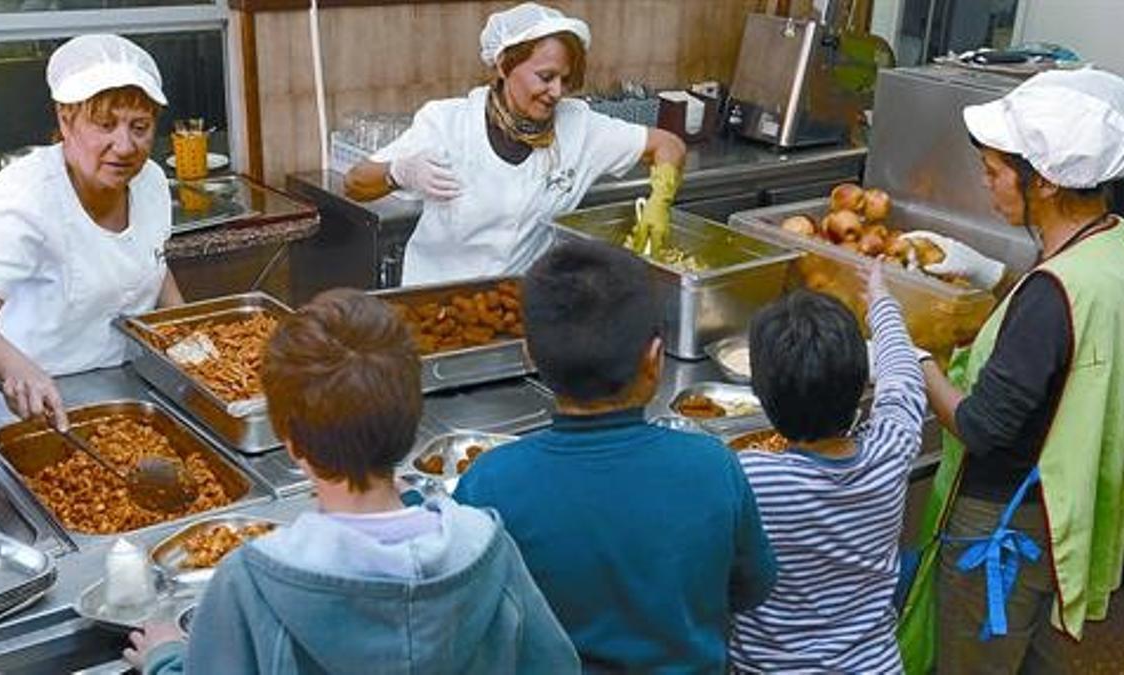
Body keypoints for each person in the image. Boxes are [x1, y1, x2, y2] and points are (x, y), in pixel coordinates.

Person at [123, 289, 580, 674]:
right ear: (415, 422)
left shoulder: (250, 582)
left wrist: (166, 659)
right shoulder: (487, 546)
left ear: (291, 442)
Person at [454, 239, 777, 672]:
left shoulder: (491, 481)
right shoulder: (713, 466)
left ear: (530, 355)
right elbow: (753, 586)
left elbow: (470, 618)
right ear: (655, 360)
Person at [897, 68, 1124, 674]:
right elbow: (1068, 340)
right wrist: (990, 273)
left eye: (995, 172)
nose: (986, 183)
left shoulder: (1052, 294)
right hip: (1066, 507)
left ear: (1045, 182)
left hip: (1004, 517)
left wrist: (913, 360)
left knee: (975, 659)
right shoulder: (1109, 245)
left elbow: (981, 426)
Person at [0, 34, 183, 430]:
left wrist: (185, 339)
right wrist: (16, 368)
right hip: (26, 403)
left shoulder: (150, 181)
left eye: (140, 127)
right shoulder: (28, 193)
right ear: (66, 122)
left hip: (122, 388)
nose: (124, 145)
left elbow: (153, 259)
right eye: (105, 125)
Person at [344, 2, 686, 286]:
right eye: (546, 77)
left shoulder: (579, 127)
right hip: (438, 303)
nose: (557, 92)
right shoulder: (447, 123)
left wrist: (661, 199)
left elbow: (668, 144)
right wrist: (398, 172)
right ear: (505, 66)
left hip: (521, 307)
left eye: (566, 80)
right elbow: (355, 184)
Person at [730, 267, 927, 674]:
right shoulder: (893, 448)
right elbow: (903, 374)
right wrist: (880, 300)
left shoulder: (748, 477)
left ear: (762, 397)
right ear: (860, 384)